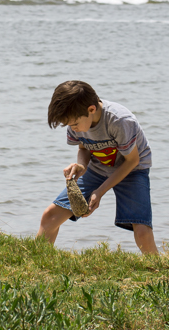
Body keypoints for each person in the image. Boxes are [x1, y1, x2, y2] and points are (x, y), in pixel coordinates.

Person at [36, 81, 158, 255]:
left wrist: (99, 192)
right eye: (69, 125)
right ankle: (38, 261)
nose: (72, 129)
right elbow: (84, 148)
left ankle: (158, 267)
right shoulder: (76, 121)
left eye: (74, 124)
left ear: (91, 109)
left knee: (142, 231)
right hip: (98, 167)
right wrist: (81, 165)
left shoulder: (120, 121)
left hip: (132, 170)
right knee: (49, 216)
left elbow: (132, 161)